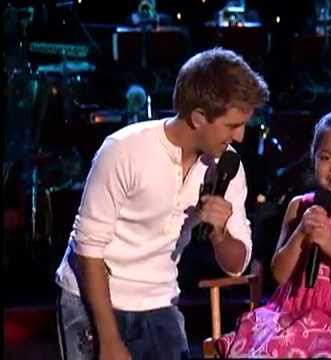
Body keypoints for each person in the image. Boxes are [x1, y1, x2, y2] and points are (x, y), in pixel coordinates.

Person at [54, 48, 269, 360]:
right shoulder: (124, 150)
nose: (240, 136)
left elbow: (236, 266)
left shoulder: (228, 167)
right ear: (198, 118)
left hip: (158, 301)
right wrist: (110, 341)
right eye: (231, 125)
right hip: (91, 300)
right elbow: (89, 247)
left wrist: (220, 234)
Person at [216, 105, 331, 358]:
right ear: (314, 158)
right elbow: (280, 274)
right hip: (295, 309)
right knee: (277, 345)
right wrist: (301, 231)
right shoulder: (299, 206)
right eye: (326, 158)